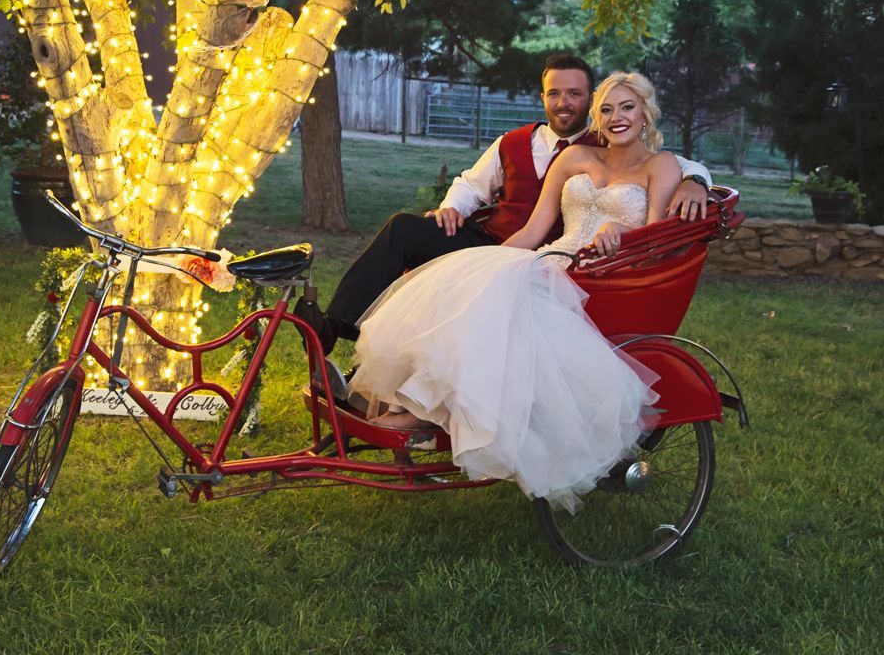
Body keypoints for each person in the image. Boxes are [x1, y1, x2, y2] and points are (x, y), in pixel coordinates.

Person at [348, 71, 677, 510]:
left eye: (627, 107)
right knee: (473, 289)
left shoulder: (662, 166)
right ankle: (421, 409)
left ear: (645, 113)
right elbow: (534, 230)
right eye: (607, 109)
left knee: (499, 311)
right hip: (552, 258)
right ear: (596, 117)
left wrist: (623, 228)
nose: (617, 117)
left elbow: (655, 238)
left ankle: (421, 413)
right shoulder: (576, 157)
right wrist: (486, 264)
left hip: (606, 275)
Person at [296, 54, 712, 356]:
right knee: (405, 228)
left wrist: (696, 180)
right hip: (497, 241)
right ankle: (335, 326)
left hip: (563, 262)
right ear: (543, 97)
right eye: (554, 94)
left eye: (574, 94)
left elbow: (669, 165)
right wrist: (451, 206)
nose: (564, 102)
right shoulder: (514, 142)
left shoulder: (608, 143)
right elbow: (471, 184)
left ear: (588, 101)